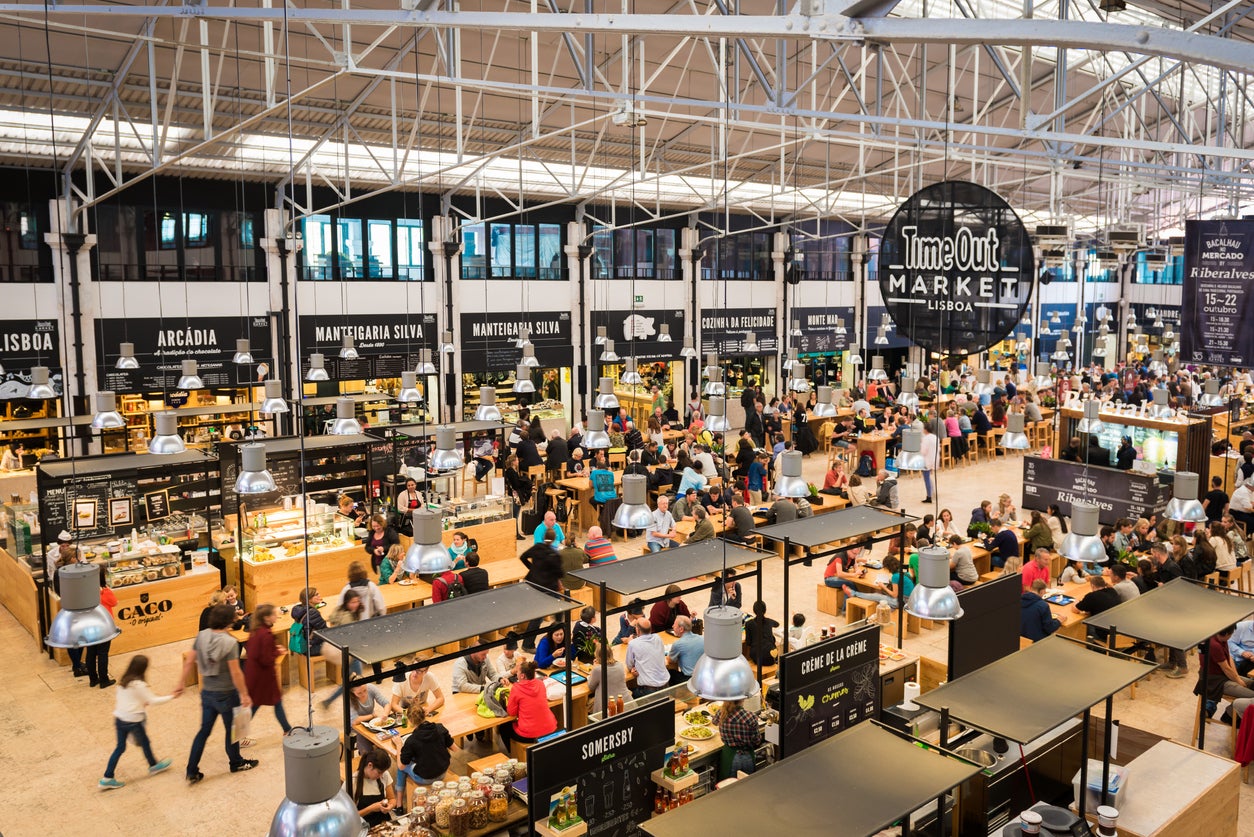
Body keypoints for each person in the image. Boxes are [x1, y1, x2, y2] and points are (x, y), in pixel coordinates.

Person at [177, 603, 257, 782]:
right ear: (228, 621)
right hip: (227, 694)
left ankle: (191, 769)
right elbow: (236, 672)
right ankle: (236, 762)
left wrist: (181, 682)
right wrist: (244, 693)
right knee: (234, 730)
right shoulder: (230, 642)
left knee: (203, 732)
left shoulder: (202, 635)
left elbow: (190, 660)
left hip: (207, 692)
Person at [98, 655, 176, 789]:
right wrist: (172, 696)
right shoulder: (139, 684)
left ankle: (107, 777)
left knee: (120, 748)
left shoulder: (123, 682)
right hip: (133, 720)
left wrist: (140, 702)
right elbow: (153, 700)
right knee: (145, 743)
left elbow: (128, 700)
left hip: (120, 718)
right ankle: (153, 765)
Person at [243, 604, 292, 739]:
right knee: (273, 701)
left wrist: (272, 649)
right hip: (263, 677)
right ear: (267, 618)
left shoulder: (256, 631)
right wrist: (277, 651)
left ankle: (287, 728)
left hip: (254, 675)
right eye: (274, 615)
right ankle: (287, 729)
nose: (277, 617)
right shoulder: (266, 634)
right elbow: (266, 659)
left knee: (259, 704)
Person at [397, 703, 455, 801]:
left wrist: (399, 745)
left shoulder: (411, 740)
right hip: (443, 771)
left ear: (410, 720)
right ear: (425, 713)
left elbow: (401, 765)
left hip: (424, 778)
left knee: (401, 765)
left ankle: (398, 804)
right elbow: (454, 748)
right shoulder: (440, 728)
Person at [1198, 626, 1254, 724]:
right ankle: (1229, 716)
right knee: (1251, 696)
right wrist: (1238, 681)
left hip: (1223, 675)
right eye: (1231, 635)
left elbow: (1229, 658)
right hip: (1215, 681)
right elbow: (1226, 668)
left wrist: (1236, 676)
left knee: (1252, 684)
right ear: (1227, 634)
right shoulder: (1214, 645)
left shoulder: (1222, 640)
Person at [502, 659, 558, 750]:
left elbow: (511, 712)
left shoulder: (516, 688)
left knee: (504, 727)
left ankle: (511, 755)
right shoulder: (540, 684)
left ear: (522, 675)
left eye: (517, 672)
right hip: (550, 728)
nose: (516, 674)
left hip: (529, 735)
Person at [353, 748, 398, 827]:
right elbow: (349, 817)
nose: (381, 776)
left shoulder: (384, 774)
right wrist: (370, 808)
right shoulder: (353, 782)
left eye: (383, 773)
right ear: (370, 765)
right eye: (379, 772)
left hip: (384, 824)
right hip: (363, 827)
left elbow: (392, 799)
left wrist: (390, 807)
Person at [718, 699, 762, 776]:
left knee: (730, 786)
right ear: (742, 700)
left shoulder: (721, 713)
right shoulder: (750, 716)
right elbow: (757, 740)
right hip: (747, 757)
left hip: (729, 756)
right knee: (747, 784)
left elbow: (714, 721)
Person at [625, 621, 669, 697]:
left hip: (648, 691)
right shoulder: (658, 638)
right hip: (666, 686)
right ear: (650, 629)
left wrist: (630, 642)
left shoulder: (633, 644)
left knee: (629, 694)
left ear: (637, 630)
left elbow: (629, 665)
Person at [850, 556, 914, 608]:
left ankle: (855, 593)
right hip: (910, 599)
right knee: (881, 593)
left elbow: (894, 595)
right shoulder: (905, 573)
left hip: (903, 602)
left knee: (876, 595)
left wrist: (883, 586)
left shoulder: (895, 577)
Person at [1073, 575, 1122, 642]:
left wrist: (1075, 602)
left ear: (1092, 586)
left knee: (1083, 624)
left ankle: (1090, 648)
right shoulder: (1112, 591)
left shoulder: (1092, 596)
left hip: (1105, 634)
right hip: (1120, 631)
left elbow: (1075, 610)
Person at [347, 683, 390, 755]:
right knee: (367, 752)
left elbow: (386, 703)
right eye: (359, 693)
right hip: (357, 727)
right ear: (352, 692)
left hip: (371, 723)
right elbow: (354, 721)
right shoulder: (349, 698)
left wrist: (385, 714)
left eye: (365, 690)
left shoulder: (371, 688)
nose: (363, 694)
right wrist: (372, 715)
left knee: (385, 741)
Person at [587, 641, 628, 706]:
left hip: (608, 707)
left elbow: (591, 687)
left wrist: (593, 669)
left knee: (587, 703)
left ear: (597, 656)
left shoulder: (598, 670)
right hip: (625, 702)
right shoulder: (620, 665)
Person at [503, 455, 533, 540]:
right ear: (513, 462)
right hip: (515, 495)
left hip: (512, 494)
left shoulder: (510, 471)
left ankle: (514, 533)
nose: (518, 461)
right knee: (515, 515)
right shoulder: (512, 472)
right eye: (516, 460)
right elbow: (516, 485)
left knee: (514, 514)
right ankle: (516, 534)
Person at [667, 615, 705, 683]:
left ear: (681, 629)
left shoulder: (678, 644)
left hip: (689, 679)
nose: (672, 626)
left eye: (674, 625)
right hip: (703, 677)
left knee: (670, 672)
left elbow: (670, 661)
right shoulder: (702, 638)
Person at [744, 600, 779, 666]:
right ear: (765, 610)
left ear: (754, 611)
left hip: (758, 658)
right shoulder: (769, 621)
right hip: (772, 657)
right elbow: (777, 624)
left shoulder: (749, 623)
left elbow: (748, 642)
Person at [918, 423, 939, 503]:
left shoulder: (926, 438)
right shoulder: (935, 437)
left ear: (925, 430)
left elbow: (923, 451)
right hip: (934, 459)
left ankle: (929, 496)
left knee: (926, 478)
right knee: (928, 477)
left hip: (927, 461)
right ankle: (932, 491)